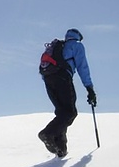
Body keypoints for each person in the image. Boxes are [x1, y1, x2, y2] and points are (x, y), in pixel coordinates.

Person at [38, 28, 96, 157]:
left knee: (62, 113)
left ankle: (60, 148)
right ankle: (47, 133)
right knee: (70, 112)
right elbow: (82, 67)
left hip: (48, 80)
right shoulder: (77, 45)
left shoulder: (58, 47)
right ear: (78, 36)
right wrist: (89, 88)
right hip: (63, 78)